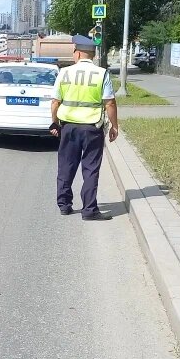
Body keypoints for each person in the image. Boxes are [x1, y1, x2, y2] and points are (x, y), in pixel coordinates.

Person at [51, 35, 119, 220]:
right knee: (90, 168)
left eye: (74, 52)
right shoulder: (101, 73)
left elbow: (55, 102)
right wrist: (115, 127)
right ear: (92, 55)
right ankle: (89, 210)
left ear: (78, 53)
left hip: (69, 128)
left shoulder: (64, 73)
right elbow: (110, 103)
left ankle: (64, 205)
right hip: (92, 129)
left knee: (66, 165)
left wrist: (55, 123)